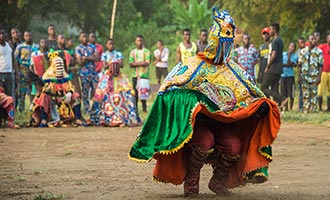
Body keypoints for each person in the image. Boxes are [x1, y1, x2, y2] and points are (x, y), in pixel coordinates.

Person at [129, 7, 281, 197]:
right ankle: (192, 182)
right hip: (195, 123)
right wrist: (194, 101)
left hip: (221, 122)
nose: (224, 49)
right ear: (213, 41)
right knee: (205, 140)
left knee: (234, 145)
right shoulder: (192, 65)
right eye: (221, 43)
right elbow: (167, 90)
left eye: (228, 44)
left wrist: (261, 105)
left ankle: (217, 181)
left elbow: (251, 93)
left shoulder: (233, 69)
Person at [90, 38, 142, 127]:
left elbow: (121, 64)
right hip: (107, 76)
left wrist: (115, 64)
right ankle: (104, 117)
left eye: (112, 44)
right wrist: (111, 64)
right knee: (101, 93)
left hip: (118, 75)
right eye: (109, 44)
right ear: (106, 45)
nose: (111, 45)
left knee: (128, 92)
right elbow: (104, 65)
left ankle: (126, 116)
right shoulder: (105, 54)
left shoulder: (118, 53)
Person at [30, 51, 85, 127]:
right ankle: (44, 119)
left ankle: (78, 119)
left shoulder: (66, 79)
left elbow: (71, 87)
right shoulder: (48, 78)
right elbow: (45, 90)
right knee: (44, 97)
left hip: (65, 101)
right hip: (53, 102)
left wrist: (69, 93)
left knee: (75, 96)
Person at [261, 23, 287, 108]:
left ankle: (282, 98)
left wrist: (268, 66)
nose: (270, 31)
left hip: (273, 67)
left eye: (271, 29)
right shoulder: (281, 40)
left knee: (263, 87)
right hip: (279, 68)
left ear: (274, 30)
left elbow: (274, 55)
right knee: (274, 88)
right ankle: (277, 106)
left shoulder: (275, 41)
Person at [14, 31, 41, 112]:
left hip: (34, 72)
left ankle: (33, 110)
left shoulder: (36, 46)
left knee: (33, 92)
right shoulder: (20, 47)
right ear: (24, 37)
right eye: (26, 36)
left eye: (30, 35)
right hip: (23, 71)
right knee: (22, 92)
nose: (28, 37)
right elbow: (15, 60)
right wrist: (17, 71)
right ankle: (21, 110)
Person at [298, 34, 323, 113]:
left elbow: (320, 65)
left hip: (314, 76)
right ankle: (306, 111)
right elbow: (299, 65)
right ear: (308, 41)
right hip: (304, 76)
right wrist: (299, 76)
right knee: (305, 94)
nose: (314, 41)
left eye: (315, 39)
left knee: (314, 94)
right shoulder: (303, 51)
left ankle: (314, 111)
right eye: (312, 39)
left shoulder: (319, 51)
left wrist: (319, 77)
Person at [75, 32, 99, 114]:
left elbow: (97, 58)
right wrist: (90, 58)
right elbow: (80, 62)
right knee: (85, 92)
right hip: (83, 74)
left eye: (86, 36)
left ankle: (96, 108)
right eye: (83, 37)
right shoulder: (78, 48)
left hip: (93, 73)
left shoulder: (92, 46)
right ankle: (87, 110)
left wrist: (85, 58)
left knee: (96, 91)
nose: (84, 38)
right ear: (80, 39)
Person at [129, 35, 151, 113]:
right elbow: (131, 64)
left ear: (143, 41)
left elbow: (147, 63)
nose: (139, 42)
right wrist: (141, 63)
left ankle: (144, 109)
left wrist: (136, 63)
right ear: (135, 42)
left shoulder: (147, 51)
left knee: (143, 93)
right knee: (135, 93)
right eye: (138, 41)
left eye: (141, 41)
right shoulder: (133, 52)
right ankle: (135, 109)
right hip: (135, 75)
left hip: (144, 75)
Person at [280, 42, 298, 111]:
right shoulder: (283, 54)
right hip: (283, 75)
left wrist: (289, 56)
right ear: (288, 47)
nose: (292, 48)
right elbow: (281, 64)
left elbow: (292, 64)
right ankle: (286, 108)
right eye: (291, 46)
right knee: (284, 92)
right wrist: (287, 64)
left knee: (291, 93)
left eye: (293, 47)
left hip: (290, 76)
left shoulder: (295, 56)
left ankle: (291, 107)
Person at [317, 32, 330, 112]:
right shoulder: (322, 47)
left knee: (329, 91)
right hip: (323, 71)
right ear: (327, 39)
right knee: (320, 90)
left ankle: (329, 108)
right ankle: (320, 107)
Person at [297, 37, 306, 112]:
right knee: (301, 92)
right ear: (298, 44)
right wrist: (299, 75)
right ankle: (300, 107)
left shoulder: (307, 51)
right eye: (301, 43)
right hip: (301, 74)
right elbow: (298, 65)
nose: (302, 44)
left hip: (308, 75)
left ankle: (307, 106)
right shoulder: (298, 52)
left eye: (303, 42)